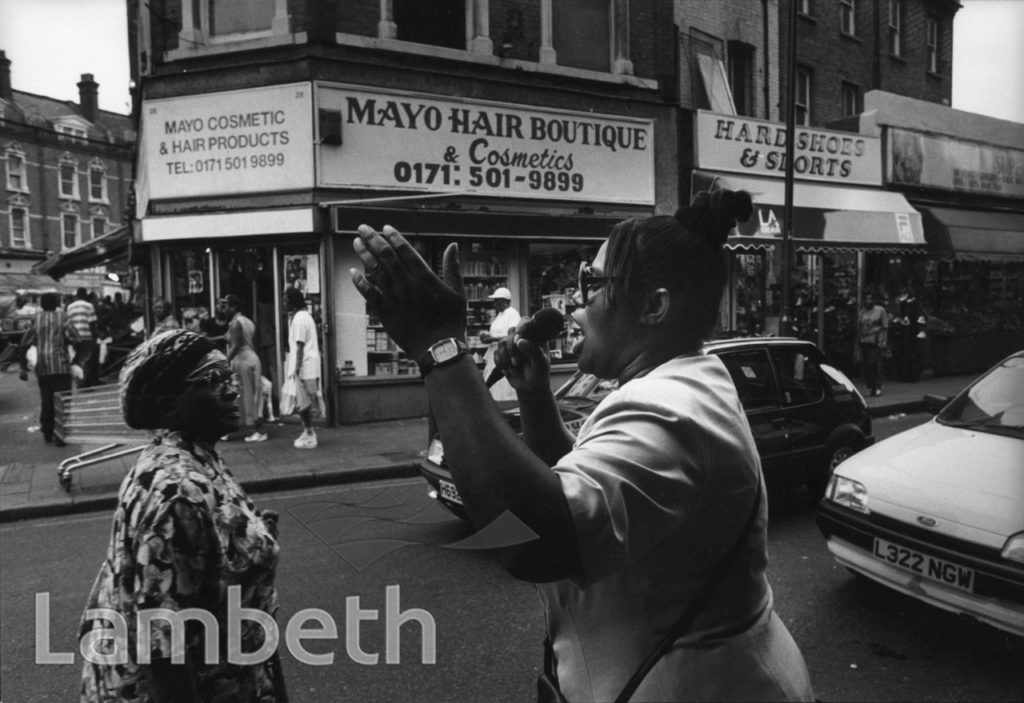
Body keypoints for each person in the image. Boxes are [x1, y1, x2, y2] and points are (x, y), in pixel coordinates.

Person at [350, 189, 815, 701]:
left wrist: (440, 348)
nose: (573, 299)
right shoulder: (672, 386)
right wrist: (535, 397)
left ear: (654, 306)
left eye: (591, 282)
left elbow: (536, 539)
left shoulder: (671, 408)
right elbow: (591, 493)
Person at [79, 330, 285, 702]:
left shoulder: (194, 455)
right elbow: (162, 649)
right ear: (169, 405)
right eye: (212, 380)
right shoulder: (178, 494)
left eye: (229, 376)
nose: (231, 388)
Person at [18, 292, 81, 447]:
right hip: (62, 366)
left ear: (42, 305)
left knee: (47, 399)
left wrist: (23, 366)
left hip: (44, 367)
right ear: (57, 304)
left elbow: (24, 343)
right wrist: (75, 359)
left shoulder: (36, 320)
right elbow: (77, 340)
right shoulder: (64, 318)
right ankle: (61, 435)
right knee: (63, 400)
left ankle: (47, 431)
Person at [222, 294, 267, 442]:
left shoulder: (235, 323)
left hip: (243, 361)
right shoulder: (246, 321)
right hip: (251, 359)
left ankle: (256, 430)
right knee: (251, 395)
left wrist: (224, 361)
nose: (224, 309)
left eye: (226, 306)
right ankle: (254, 428)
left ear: (233, 307)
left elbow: (235, 346)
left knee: (245, 396)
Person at [284, 287, 321, 449]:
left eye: (286, 299)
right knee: (304, 401)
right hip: (307, 364)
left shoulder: (299, 319)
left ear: (292, 301)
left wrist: (296, 370)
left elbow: (299, 346)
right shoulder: (305, 316)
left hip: (304, 365)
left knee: (303, 402)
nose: (284, 302)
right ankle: (308, 431)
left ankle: (310, 434)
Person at [479, 286, 521, 401]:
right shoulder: (500, 315)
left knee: (502, 389)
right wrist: (486, 336)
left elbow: (512, 336)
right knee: (493, 388)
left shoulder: (512, 314)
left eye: (497, 300)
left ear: (505, 301)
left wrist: (492, 339)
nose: (494, 303)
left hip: (504, 356)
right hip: (494, 356)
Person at [857, 291, 889, 396]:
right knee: (866, 365)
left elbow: (885, 326)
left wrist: (883, 340)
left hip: (876, 340)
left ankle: (877, 386)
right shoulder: (862, 312)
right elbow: (860, 327)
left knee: (873, 363)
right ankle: (870, 387)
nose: (868, 301)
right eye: (866, 299)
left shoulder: (880, 310)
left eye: (870, 299)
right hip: (865, 340)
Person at [66, 287, 98, 387]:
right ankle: (84, 383)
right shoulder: (89, 306)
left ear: (77, 295)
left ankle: (77, 381)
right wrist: (95, 337)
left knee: (76, 359)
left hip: (73, 338)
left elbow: (68, 324)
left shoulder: (70, 307)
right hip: (87, 337)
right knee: (86, 359)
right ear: (85, 295)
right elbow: (92, 323)